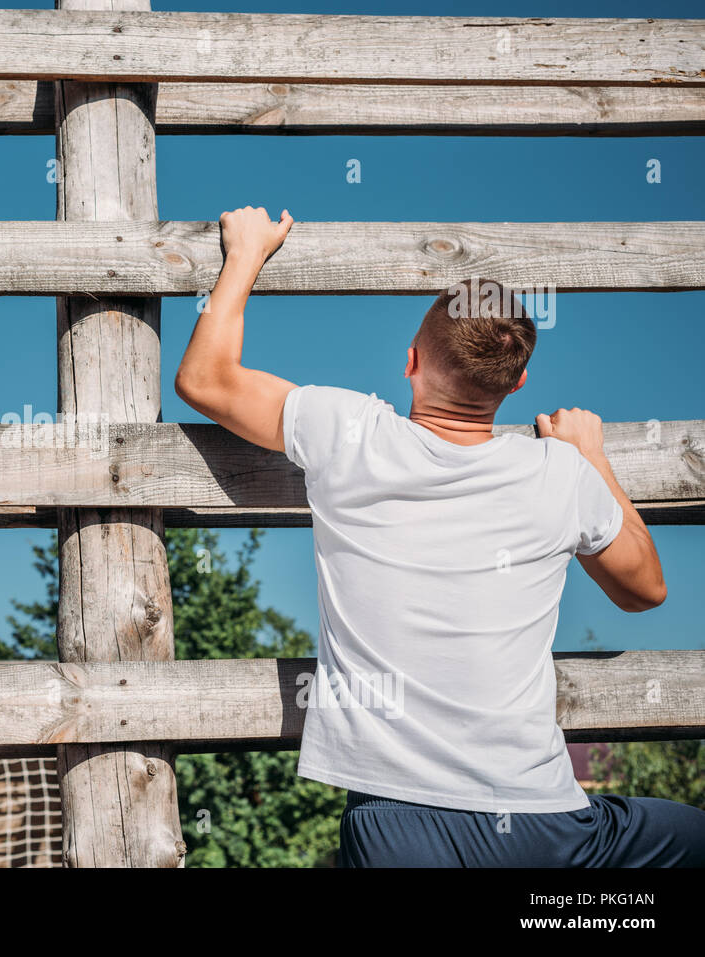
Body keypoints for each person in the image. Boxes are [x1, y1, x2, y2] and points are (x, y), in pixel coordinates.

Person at [175, 205, 704, 867]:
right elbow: (645, 588)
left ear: (411, 361)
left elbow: (204, 378)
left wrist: (247, 252)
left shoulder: (351, 433)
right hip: (543, 827)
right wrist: (592, 457)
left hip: (394, 825)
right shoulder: (561, 472)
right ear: (517, 383)